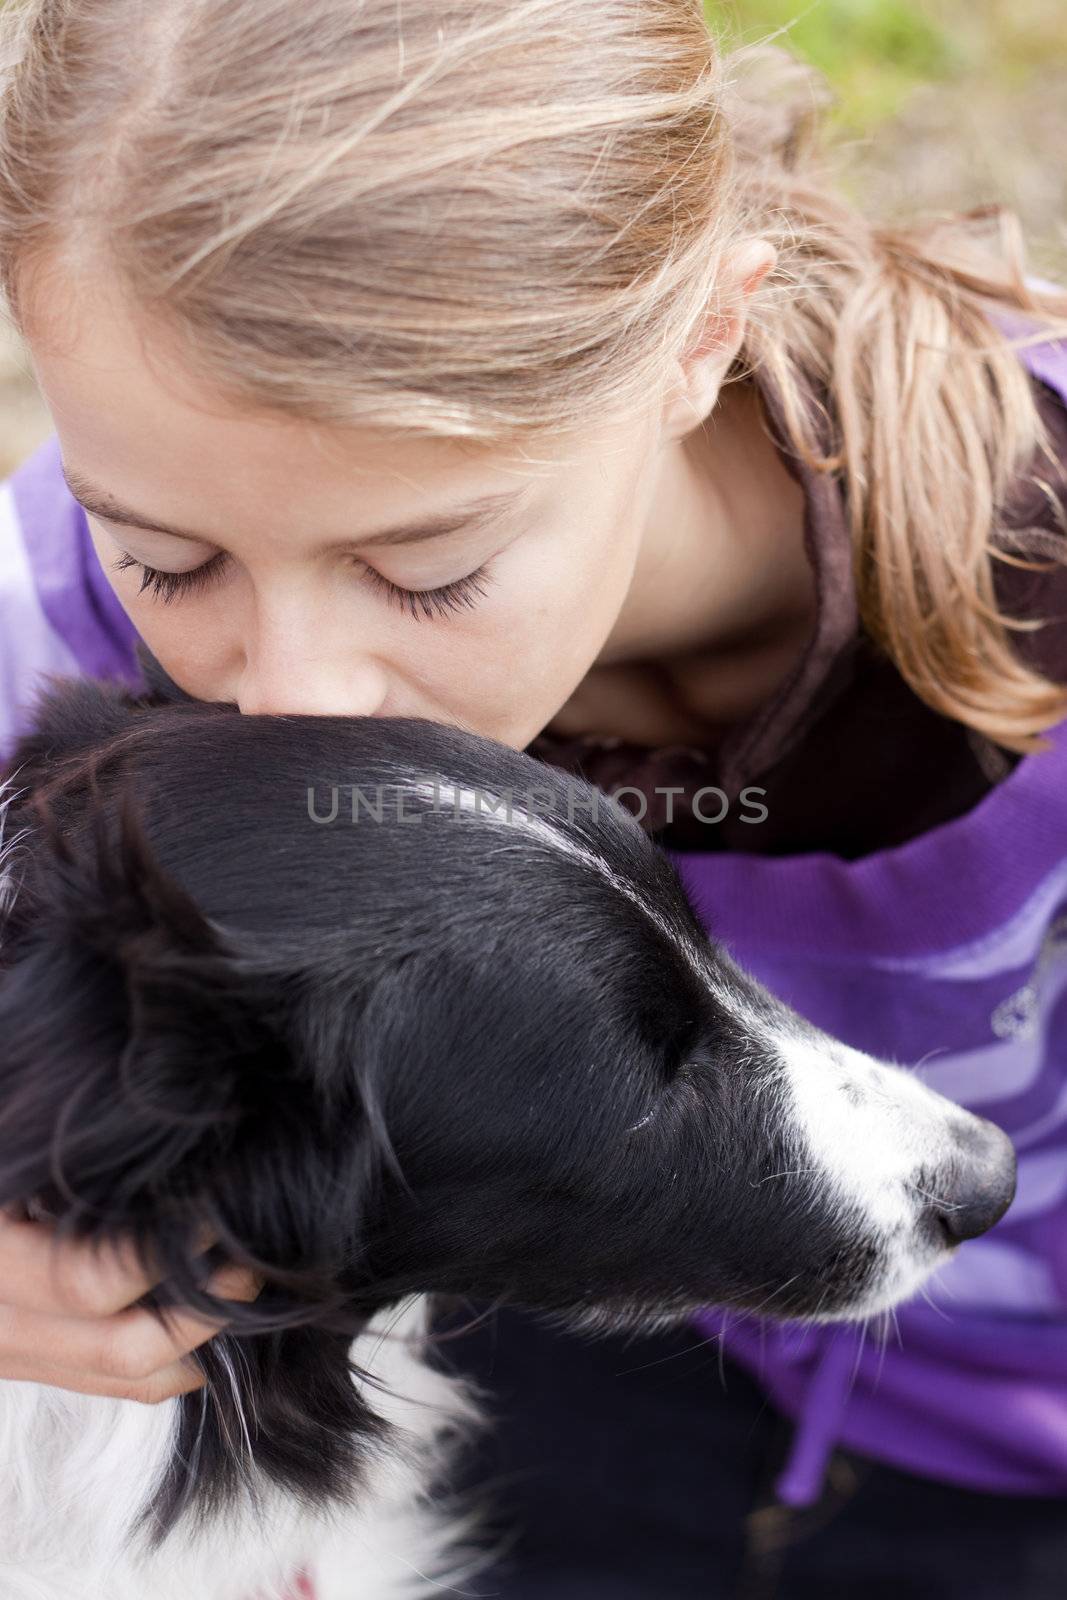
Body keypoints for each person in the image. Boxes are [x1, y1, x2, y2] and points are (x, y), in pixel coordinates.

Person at [0, 1, 1065, 1595]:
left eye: (427, 571)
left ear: (700, 341)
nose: (291, 702)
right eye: (169, 558)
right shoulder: (57, 609)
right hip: (544, 1381)